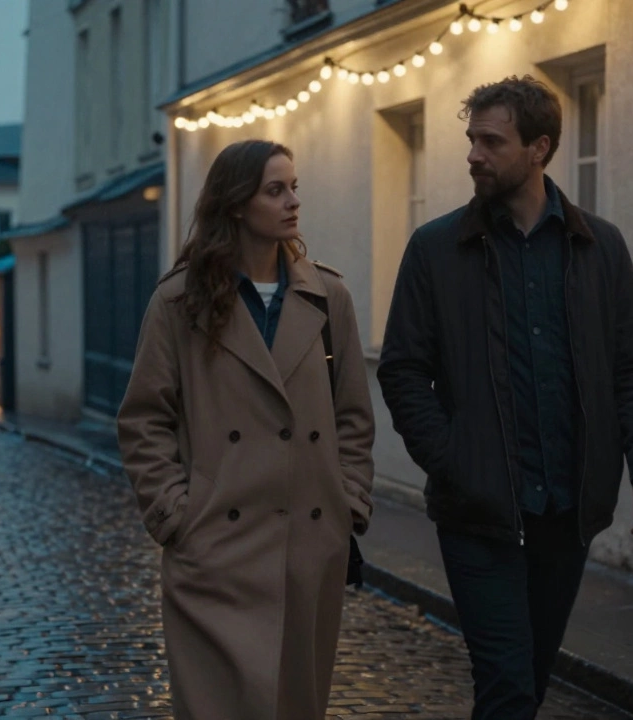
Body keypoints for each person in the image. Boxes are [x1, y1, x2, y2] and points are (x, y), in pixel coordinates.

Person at [377, 75, 633, 719]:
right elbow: (402, 370)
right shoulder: (435, 249)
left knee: (529, 681)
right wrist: (455, 460)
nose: (473, 155)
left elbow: (632, 366)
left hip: (565, 514)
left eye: (491, 141)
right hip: (478, 514)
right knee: (507, 687)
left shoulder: (600, 246)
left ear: (539, 148)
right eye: (471, 139)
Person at [116, 139, 375, 719]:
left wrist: (347, 502)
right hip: (214, 549)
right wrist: (175, 515)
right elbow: (144, 419)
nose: (292, 203)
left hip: (307, 550)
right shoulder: (179, 303)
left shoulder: (327, 297)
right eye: (275, 190)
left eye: (295, 187)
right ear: (236, 204)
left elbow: (353, 415)